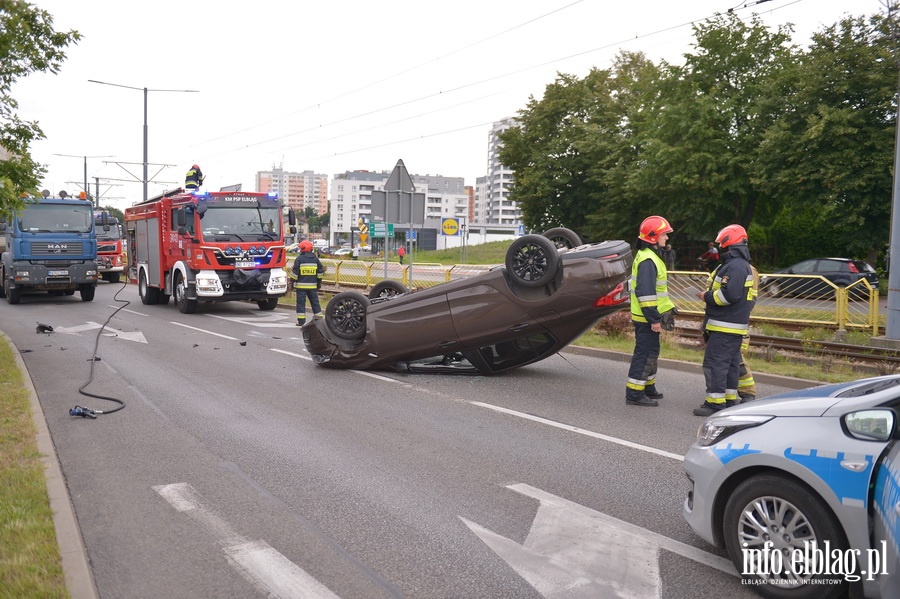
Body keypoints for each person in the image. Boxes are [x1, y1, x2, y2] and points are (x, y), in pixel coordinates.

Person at [693, 224, 754, 416]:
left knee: (715, 364)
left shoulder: (735, 265)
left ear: (729, 242)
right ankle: (728, 399)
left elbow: (729, 295)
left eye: (722, 243)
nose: (720, 246)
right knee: (730, 364)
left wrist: (707, 296)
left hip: (724, 326)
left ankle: (714, 404)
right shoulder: (739, 264)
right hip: (731, 326)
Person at [625, 215, 677, 407]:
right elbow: (645, 293)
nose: (667, 237)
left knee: (651, 353)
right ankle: (634, 393)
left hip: (646, 316)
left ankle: (647, 387)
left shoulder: (650, 256)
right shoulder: (648, 260)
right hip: (646, 318)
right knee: (645, 354)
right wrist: (654, 319)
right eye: (664, 234)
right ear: (654, 237)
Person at [290, 240, 325, 327]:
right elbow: (320, 272)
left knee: (301, 304)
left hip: (301, 287)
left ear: (303, 249)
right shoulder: (315, 259)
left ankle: (301, 321)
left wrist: (292, 282)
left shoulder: (299, 259)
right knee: (315, 302)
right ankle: (319, 319)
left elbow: (295, 274)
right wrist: (319, 282)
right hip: (313, 286)